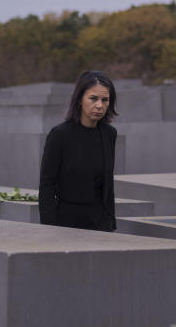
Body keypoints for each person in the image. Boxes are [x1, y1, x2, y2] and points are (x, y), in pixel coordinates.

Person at [38, 71, 118, 231]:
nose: (100, 105)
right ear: (80, 99)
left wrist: (111, 222)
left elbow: (108, 185)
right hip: (66, 224)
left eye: (105, 100)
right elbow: (47, 185)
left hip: (101, 224)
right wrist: (49, 227)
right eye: (93, 98)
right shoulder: (60, 135)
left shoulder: (109, 134)